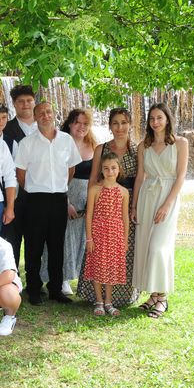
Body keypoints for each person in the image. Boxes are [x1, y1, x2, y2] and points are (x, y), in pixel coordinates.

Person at [15, 102, 81, 305]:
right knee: (34, 247)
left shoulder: (66, 140)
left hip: (58, 199)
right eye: (41, 113)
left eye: (49, 111)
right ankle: (34, 289)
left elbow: (71, 170)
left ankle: (55, 288)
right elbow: (21, 175)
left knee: (56, 246)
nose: (45, 115)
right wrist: (38, 190)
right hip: (36, 199)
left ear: (54, 114)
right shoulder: (27, 143)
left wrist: (59, 188)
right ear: (35, 117)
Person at [77, 108, 140, 306]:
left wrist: (134, 206)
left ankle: (119, 298)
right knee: (99, 253)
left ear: (130, 125)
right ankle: (96, 298)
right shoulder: (101, 149)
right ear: (110, 126)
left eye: (123, 122)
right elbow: (93, 178)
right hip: (102, 203)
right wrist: (92, 206)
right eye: (115, 123)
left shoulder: (137, 149)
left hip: (125, 202)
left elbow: (139, 178)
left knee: (121, 253)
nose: (120, 127)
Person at [131, 103, 188, 318]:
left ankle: (162, 298)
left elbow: (181, 176)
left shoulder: (180, 143)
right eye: (152, 118)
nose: (155, 122)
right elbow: (139, 177)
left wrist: (167, 204)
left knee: (158, 247)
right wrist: (134, 205)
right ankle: (153, 295)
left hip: (168, 197)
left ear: (167, 119)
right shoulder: (143, 146)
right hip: (147, 196)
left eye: (159, 118)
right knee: (146, 245)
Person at [40, 109, 97, 296]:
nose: (81, 127)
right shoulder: (60, 144)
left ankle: (79, 276)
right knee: (62, 238)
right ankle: (61, 277)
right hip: (64, 197)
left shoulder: (95, 146)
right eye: (77, 122)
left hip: (87, 199)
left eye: (85, 124)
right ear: (70, 124)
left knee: (82, 239)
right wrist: (65, 202)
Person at [83, 152, 130, 316]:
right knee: (97, 266)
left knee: (110, 267)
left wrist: (124, 241)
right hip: (98, 233)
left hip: (115, 234)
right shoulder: (95, 189)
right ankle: (99, 301)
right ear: (101, 170)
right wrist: (89, 238)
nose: (110, 171)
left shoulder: (124, 192)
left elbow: (125, 217)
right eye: (106, 168)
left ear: (119, 169)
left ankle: (109, 301)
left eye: (113, 168)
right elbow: (89, 215)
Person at [2, 85, 37, 266]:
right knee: (12, 241)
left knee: (35, 241)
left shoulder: (45, 128)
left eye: (29, 101)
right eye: (21, 102)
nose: (25, 105)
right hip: (14, 194)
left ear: (34, 102)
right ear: (14, 104)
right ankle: (11, 281)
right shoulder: (5, 130)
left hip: (40, 193)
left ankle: (35, 285)